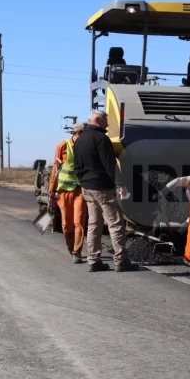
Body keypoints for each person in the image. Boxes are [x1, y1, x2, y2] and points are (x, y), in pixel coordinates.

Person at [73, 110, 138, 273]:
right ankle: (121, 260)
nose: (107, 124)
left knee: (94, 223)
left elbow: (77, 167)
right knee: (116, 223)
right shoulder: (101, 139)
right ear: (96, 120)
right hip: (102, 187)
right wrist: (120, 184)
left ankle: (94, 260)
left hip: (87, 187)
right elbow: (110, 164)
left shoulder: (79, 140)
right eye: (105, 121)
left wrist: (84, 182)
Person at [49, 122, 88, 264]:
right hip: (63, 190)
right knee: (66, 224)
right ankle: (70, 246)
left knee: (79, 222)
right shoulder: (63, 146)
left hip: (80, 190)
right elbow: (56, 169)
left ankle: (77, 252)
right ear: (79, 133)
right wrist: (51, 189)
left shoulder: (86, 147)